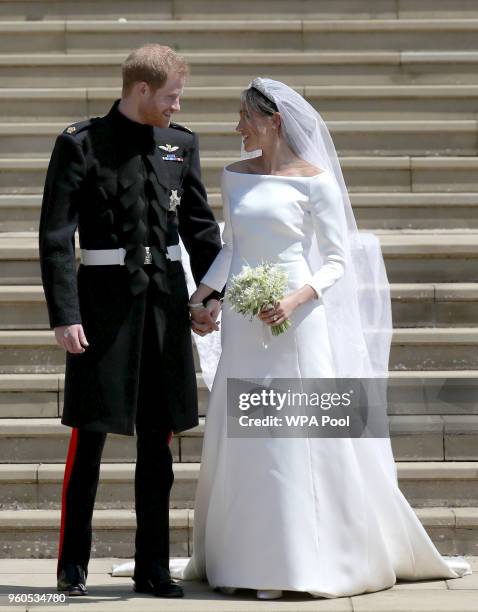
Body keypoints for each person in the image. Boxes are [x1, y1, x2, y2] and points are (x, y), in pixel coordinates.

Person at [176, 78, 472, 599]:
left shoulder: (316, 182)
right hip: (247, 321)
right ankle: (248, 560)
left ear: (274, 121)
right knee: (247, 435)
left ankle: (312, 559)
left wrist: (294, 299)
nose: (236, 126)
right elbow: (232, 247)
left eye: (244, 116)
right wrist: (202, 296)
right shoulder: (234, 176)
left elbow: (338, 260)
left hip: (296, 319)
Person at [38, 44, 223, 599]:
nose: (177, 105)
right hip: (100, 311)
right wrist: (64, 315)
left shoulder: (180, 143)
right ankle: (72, 567)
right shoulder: (80, 144)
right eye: (170, 96)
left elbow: (199, 228)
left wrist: (211, 296)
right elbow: (55, 237)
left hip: (164, 309)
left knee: (157, 445)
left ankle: (152, 567)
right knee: (88, 441)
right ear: (141, 90)